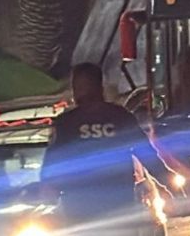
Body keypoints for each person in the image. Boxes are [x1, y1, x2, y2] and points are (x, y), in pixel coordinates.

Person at [41, 63, 174, 234]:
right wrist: (168, 182)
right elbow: (146, 154)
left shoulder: (66, 123)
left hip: (79, 208)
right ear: (100, 87)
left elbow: (52, 161)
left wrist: (48, 186)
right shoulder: (120, 117)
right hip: (117, 203)